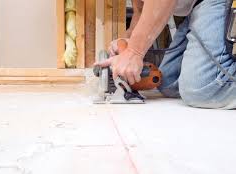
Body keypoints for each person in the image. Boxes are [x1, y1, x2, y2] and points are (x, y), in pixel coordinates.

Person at [95, 0, 236, 109]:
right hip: (198, 5)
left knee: (201, 88)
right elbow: (140, 9)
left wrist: (134, 52)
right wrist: (128, 42)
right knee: (168, 82)